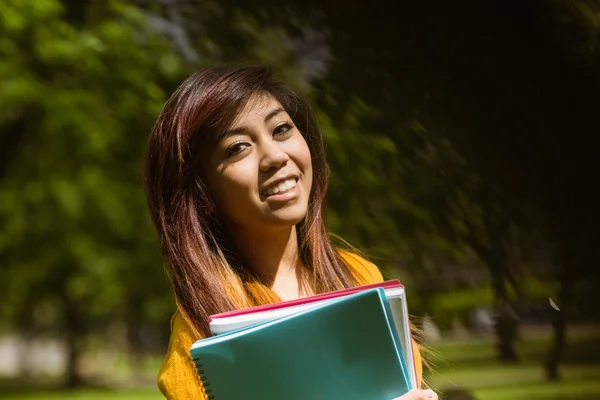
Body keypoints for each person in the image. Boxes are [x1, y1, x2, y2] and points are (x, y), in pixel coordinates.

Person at [144, 66, 438, 400]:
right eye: (238, 147)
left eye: (282, 129)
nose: (274, 156)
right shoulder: (199, 334)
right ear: (203, 193)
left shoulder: (359, 275)